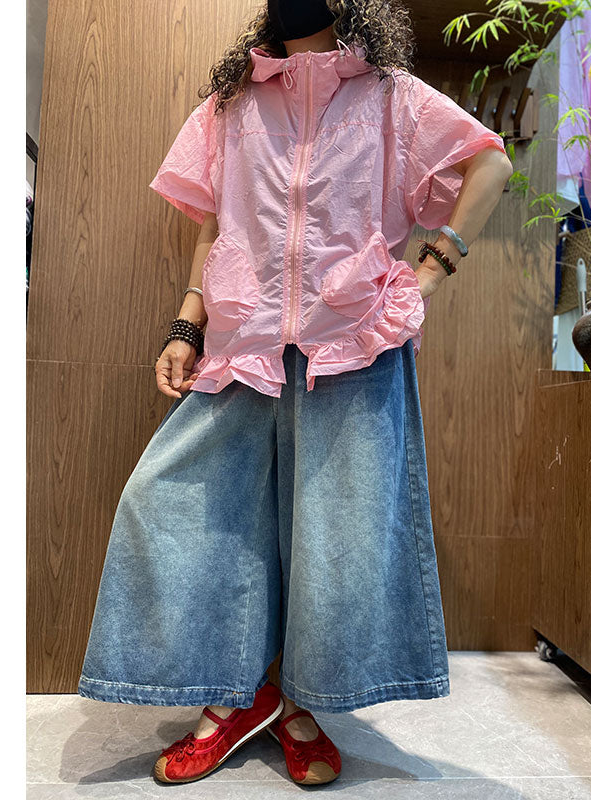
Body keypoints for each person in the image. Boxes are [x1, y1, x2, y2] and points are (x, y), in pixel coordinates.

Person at [77, 0, 513, 787]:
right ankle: (237, 695)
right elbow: (214, 225)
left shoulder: (392, 97)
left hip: (353, 347)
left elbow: (492, 164)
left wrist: (430, 270)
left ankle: (297, 702)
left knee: (333, 539)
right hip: (242, 344)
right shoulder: (232, 105)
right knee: (168, 506)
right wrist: (185, 326)